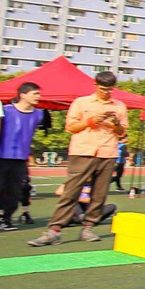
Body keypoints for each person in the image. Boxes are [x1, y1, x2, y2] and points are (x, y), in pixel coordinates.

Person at [28, 71, 128, 246]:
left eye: (110, 90)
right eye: (103, 89)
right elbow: (71, 127)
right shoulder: (81, 102)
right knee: (71, 192)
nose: (106, 93)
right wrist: (90, 121)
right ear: (95, 85)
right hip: (82, 151)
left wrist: (116, 124)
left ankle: (88, 228)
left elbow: (122, 133)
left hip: (107, 153)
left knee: (99, 194)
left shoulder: (120, 106)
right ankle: (54, 230)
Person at [0, 82, 49, 231]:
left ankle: (7, 218)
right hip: (1, 156)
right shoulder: (5, 110)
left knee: (15, 191)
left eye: (39, 93)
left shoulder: (40, 114)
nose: (39, 96)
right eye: (35, 93)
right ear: (23, 95)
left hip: (21, 158)